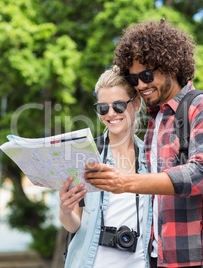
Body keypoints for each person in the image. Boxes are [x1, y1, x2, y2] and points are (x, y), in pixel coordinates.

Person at [84, 19, 203, 268]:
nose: (141, 85)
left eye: (147, 75)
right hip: (164, 258)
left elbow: (200, 174)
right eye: (133, 78)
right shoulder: (157, 119)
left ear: (171, 65)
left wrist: (125, 182)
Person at [59, 66, 152, 268]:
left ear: (136, 103)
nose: (111, 114)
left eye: (118, 106)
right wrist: (65, 211)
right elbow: (74, 225)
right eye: (103, 108)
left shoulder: (152, 157)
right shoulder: (84, 156)